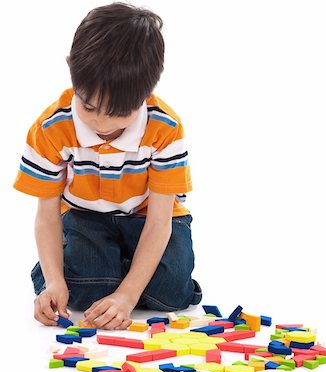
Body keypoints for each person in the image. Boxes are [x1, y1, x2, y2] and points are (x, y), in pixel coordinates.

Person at [13, 2, 202, 330]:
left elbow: (160, 222)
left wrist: (127, 297)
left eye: (117, 113)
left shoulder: (165, 129)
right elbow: (46, 215)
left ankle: (120, 270)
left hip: (149, 219)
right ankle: (63, 269)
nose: (100, 122)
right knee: (84, 292)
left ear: (147, 92)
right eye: (88, 106)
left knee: (171, 294)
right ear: (71, 68)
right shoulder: (50, 128)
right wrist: (55, 283)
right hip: (87, 217)